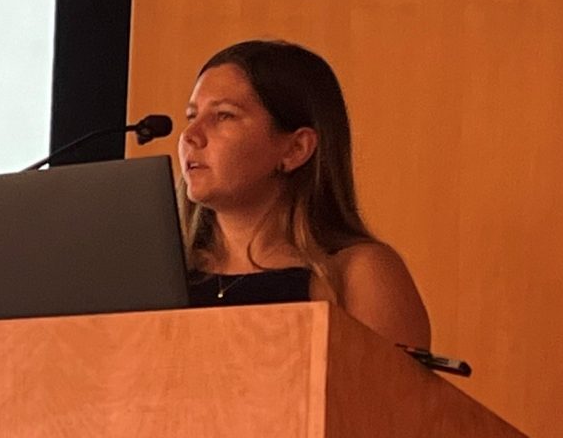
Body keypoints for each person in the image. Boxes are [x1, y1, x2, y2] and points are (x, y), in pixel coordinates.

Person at [175, 39, 431, 351]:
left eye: (224, 115)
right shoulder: (159, 276)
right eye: (192, 116)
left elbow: (389, 385)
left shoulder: (358, 276)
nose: (190, 135)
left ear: (296, 149)